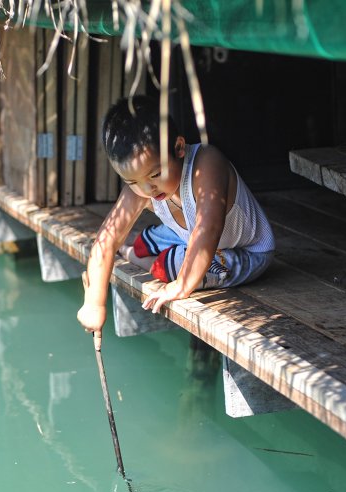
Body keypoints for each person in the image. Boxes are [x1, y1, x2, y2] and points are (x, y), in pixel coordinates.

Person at [76, 95, 275, 334]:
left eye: (155, 174)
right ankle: (137, 245)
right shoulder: (142, 185)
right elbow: (106, 240)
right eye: (132, 181)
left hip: (247, 252)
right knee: (146, 240)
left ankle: (133, 253)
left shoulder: (207, 163)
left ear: (179, 148)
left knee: (171, 266)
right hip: (188, 236)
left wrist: (181, 285)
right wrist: (94, 304)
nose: (147, 189)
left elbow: (208, 230)